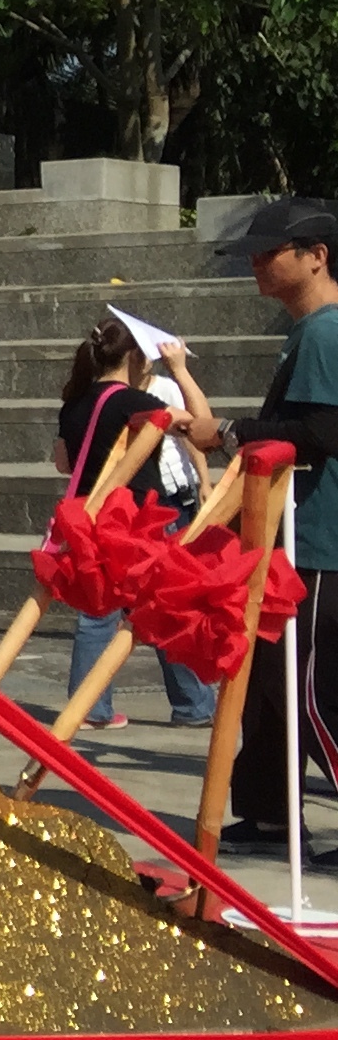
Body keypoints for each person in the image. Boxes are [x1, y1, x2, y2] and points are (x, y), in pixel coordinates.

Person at [228, 200, 338, 847]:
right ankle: (270, 809)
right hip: (292, 534)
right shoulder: (306, 332)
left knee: (312, 687)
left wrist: (233, 432)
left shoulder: (325, 332)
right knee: (271, 681)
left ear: (316, 256)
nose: (255, 263)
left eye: (269, 251)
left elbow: (321, 432)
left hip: (320, 539)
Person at [51, 316, 222, 729]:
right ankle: (192, 705)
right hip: (134, 516)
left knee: (99, 611)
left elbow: (63, 462)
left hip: (88, 515)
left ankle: (91, 707)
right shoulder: (134, 402)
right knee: (162, 604)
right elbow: (204, 430)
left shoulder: (74, 403)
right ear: (133, 357)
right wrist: (180, 370)